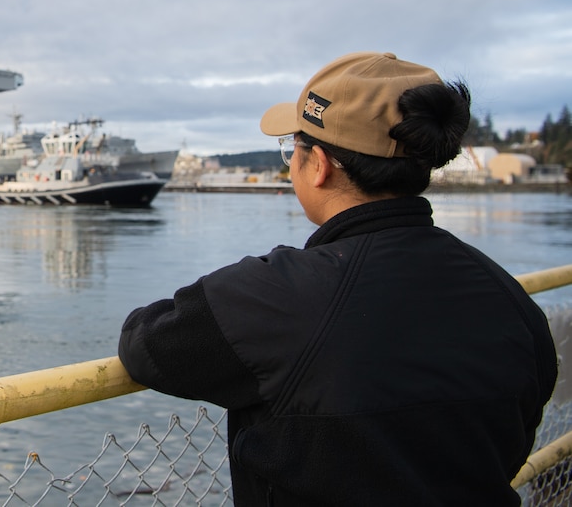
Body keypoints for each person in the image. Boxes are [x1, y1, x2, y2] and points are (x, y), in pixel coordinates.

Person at [118, 52, 557, 506]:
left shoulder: (280, 296)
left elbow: (144, 344)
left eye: (293, 149)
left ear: (320, 165)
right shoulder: (510, 299)